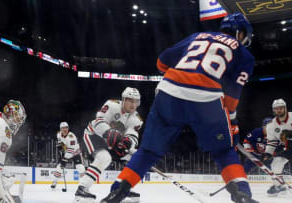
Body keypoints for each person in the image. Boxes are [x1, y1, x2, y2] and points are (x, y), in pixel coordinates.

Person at [101, 12, 258, 203]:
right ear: (241, 33)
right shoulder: (244, 54)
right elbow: (232, 97)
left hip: (169, 90)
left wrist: (185, 76)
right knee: (224, 151)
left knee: (148, 151)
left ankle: (118, 191)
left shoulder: (197, 36)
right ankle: (242, 195)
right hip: (206, 97)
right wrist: (232, 124)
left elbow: (161, 62)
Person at [74, 87, 143, 203]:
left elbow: (132, 136)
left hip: (112, 142)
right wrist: (108, 132)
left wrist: (128, 143)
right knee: (104, 158)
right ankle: (82, 189)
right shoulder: (111, 105)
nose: (133, 104)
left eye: (136, 101)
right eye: (130, 100)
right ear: (123, 99)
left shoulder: (137, 119)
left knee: (135, 158)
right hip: (94, 135)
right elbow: (99, 121)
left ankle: (120, 189)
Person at [261, 98, 292, 196]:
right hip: (287, 148)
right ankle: (279, 186)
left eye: (281, 108)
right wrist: (267, 153)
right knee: (275, 164)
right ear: (273, 110)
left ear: (285, 108)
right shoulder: (271, 125)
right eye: (276, 108)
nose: (279, 110)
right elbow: (272, 142)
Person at [50, 122, 85, 189]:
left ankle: (83, 185)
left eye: (66, 127)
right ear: (60, 129)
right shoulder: (58, 134)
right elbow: (60, 142)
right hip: (67, 152)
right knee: (59, 167)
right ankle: (54, 182)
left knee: (80, 167)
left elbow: (71, 150)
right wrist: (60, 148)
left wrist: (64, 159)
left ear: (68, 128)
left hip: (75, 152)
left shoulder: (71, 137)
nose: (64, 129)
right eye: (63, 128)